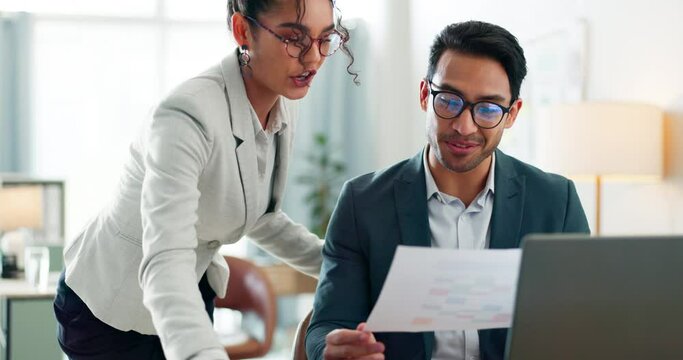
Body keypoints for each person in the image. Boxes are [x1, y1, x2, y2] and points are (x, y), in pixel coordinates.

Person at [53, 0, 355, 359]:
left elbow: (259, 215)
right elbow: (166, 260)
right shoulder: (186, 114)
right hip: (111, 308)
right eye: (295, 38)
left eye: (325, 39)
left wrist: (345, 268)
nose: (313, 59)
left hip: (190, 292)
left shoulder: (284, 100)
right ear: (243, 30)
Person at [305, 21, 590, 360]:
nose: (463, 126)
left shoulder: (556, 203)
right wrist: (332, 349)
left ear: (511, 114)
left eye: (487, 109)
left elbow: (583, 322)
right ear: (425, 95)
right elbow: (327, 324)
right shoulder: (363, 203)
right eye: (450, 101)